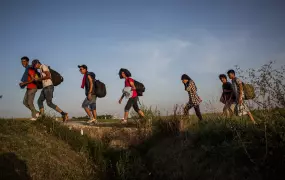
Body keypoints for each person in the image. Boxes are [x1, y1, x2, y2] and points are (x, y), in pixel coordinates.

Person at [19, 56, 39, 120]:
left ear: (27, 62)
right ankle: (36, 112)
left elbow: (33, 79)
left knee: (30, 103)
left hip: (33, 87)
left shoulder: (29, 68)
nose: (23, 63)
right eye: (22, 62)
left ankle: (34, 117)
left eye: (24, 61)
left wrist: (24, 83)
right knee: (25, 102)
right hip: (29, 88)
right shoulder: (27, 69)